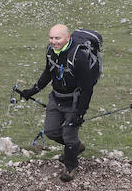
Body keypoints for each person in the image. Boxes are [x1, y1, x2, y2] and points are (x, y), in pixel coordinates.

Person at [17, 23, 100, 180]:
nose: (54, 41)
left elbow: (87, 88)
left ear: (68, 38)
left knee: (69, 136)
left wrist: (80, 113)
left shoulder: (79, 56)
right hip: (56, 97)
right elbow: (48, 73)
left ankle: (70, 166)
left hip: (74, 101)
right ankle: (76, 146)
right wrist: (32, 91)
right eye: (51, 38)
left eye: (58, 38)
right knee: (51, 131)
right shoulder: (51, 51)